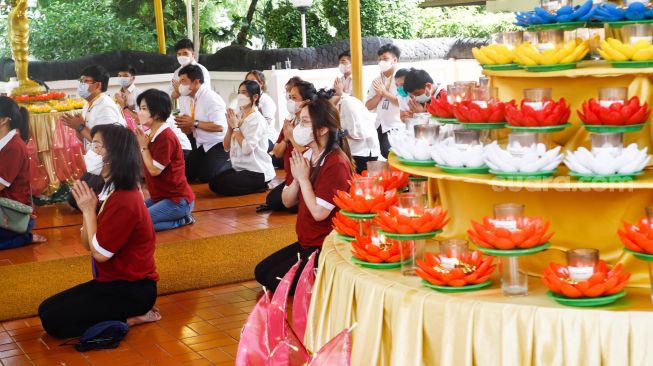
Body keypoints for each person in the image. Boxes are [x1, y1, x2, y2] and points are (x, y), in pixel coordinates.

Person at [39, 124, 160, 339]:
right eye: (91, 144)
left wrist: (87, 210)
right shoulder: (109, 190)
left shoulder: (125, 199)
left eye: (97, 146)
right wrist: (89, 212)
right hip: (111, 282)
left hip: (133, 290)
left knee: (54, 322)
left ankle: (132, 318)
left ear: (115, 154)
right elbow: (89, 244)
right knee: (46, 309)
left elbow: (100, 255)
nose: (90, 151)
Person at [255, 91, 354, 293]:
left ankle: (332, 276)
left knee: (275, 281)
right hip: (307, 241)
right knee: (262, 273)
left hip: (326, 246)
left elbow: (319, 213)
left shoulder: (336, 163)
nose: (299, 128)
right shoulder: (307, 154)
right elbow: (287, 201)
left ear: (323, 128)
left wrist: (303, 178)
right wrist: (299, 180)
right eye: (300, 121)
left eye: (306, 122)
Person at [134, 89, 195, 231]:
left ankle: (182, 220)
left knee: (139, 225)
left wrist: (143, 148)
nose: (139, 112)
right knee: (132, 218)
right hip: (160, 197)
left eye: (143, 109)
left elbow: (154, 170)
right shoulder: (149, 133)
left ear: (156, 113)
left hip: (177, 200)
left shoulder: (165, 137)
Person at [209, 81, 275, 196]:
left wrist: (235, 127)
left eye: (244, 93)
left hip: (257, 170)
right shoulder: (239, 115)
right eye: (239, 92)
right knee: (214, 181)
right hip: (240, 167)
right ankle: (252, 185)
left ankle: (260, 186)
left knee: (221, 185)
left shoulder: (257, 120)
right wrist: (230, 127)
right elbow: (226, 147)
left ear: (255, 97)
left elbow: (247, 149)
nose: (240, 96)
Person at [0, 97, 46, 249]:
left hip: (12, 215)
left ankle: (24, 238)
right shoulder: (6, 142)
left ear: (4, 120)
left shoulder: (14, 147)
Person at [174, 65, 230, 183]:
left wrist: (193, 123)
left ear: (196, 82)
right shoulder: (188, 98)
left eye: (183, 81)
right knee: (187, 175)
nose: (181, 86)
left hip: (219, 143)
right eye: (180, 82)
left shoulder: (211, 97)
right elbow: (190, 129)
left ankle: (230, 161)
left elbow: (220, 127)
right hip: (201, 143)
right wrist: (184, 125)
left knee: (207, 177)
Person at [260, 77, 307, 212]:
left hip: (306, 175)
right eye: (288, 95)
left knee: (277, 202)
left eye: (293, 97)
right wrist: (286, 139)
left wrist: (291, 137)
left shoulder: (311, 122)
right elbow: (278, 152)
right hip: (291, 176)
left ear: (305, 100)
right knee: (272, 201)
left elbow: (308, 153)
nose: (289, 100)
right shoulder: (290, 120)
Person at [61, 65, 126, 149]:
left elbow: (105, 142)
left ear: (98, 85)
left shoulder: (105, 107)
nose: (81, 85)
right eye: (81, 81)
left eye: (86, 81)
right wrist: (77, 127)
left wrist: (80, 127)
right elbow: (86, 140)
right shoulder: (88, 104)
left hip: (107, 160)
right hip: (92, 157)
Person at [324, 89, 380, 173]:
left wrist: (340, 133)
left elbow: (357, 133)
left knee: (361, 181)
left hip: (363, 152)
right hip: (356, 150)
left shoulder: (347, 104)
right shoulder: (341, 103)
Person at [365, 43, 402, 158]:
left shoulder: (401, 79)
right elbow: (368, 106)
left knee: (389, 152)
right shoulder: (376, 80)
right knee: (376, 152)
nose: (381, 62)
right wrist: (378, 96)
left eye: (385, 59)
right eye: (379, 59)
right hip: (379, 124)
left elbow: (403, 103)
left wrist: (385, 93)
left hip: (395, 124)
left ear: (394, 60)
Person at [245, 70, 278, 151]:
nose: (249, 84)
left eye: (252, 81)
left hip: (266, 136)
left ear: (261, 83)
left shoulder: (267, 101)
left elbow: (266, 124)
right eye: (247, 81)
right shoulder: (244, 99)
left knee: (251, 149)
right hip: (249, 135)